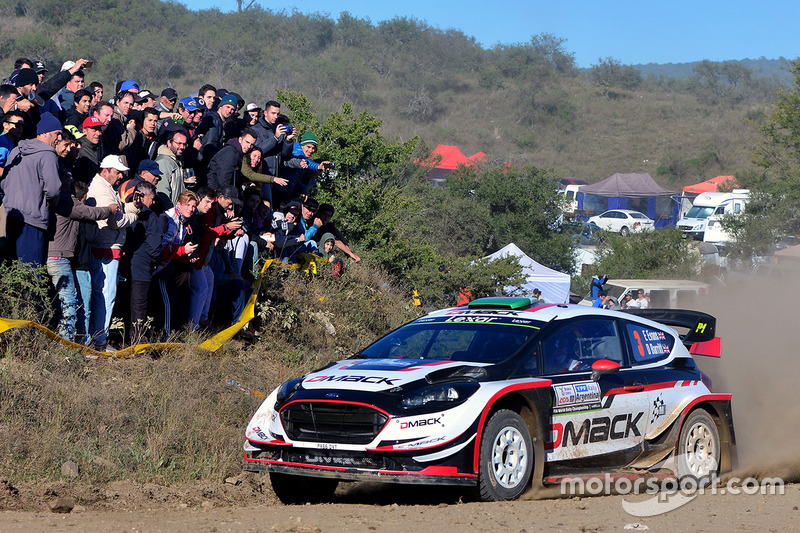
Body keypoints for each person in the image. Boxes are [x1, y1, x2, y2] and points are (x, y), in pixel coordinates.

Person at [85, 155, 140, 351]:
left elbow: (119, 210)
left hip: (107, 247)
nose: (120, 176)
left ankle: (98, 338)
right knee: (105, 296)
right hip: (106, 249)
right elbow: (115, 221)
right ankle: (99, 340)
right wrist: (133, 217)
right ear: (105, 170)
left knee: (104, 295)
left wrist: (133, 207)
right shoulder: (101, 189)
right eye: (117, 172)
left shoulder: (106, 187)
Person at [2, 112, 62, 265]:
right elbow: (53, 189)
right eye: (57, 134)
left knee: (12, 270)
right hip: (33, 219)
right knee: (32, 274)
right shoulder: (48, 155)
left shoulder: (17, 150)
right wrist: (50, 205)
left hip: (10, 217)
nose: (59, 138)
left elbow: (4, 182)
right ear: (45, 134)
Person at [125, 181, 163, 343]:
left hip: (125, 264)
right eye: (152, 198)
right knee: (139, 305)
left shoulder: (126, 210)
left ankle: (120, 336)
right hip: (142, 268)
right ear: (143, 195)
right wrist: (156, 259)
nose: (153, 202)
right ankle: (138, 340)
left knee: (124, 302)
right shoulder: (150, 216)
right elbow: (155, 245)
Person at [155, 129, 189, 208]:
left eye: (184, 144)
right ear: (169, 143)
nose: (182, 147)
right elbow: (162, 192)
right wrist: (170, 212)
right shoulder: (163, 162)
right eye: (179, 143)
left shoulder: (176, 161)